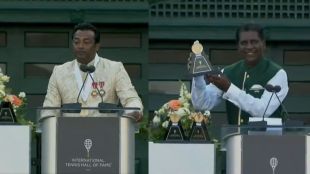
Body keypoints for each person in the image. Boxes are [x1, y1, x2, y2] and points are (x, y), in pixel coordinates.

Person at [191, 23, 288, 125]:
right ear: (238, 47)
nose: (249, 47)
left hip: (267, 139)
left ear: (263, 44)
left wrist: (229, 88)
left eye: (254, 42)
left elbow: (262, 111)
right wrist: (198, 77)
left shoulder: (277, 73)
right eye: (244, 43)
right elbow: (202, 104)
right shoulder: (228, 72)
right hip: (235, 139)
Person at [43, 22, 143, 121]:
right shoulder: (59, 72)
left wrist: (133, 112)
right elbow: (50, 107)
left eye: (86, 42)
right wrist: (48, 120)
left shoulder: (115, 69)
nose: (80, 46)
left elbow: (131, 99)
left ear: (97, 46)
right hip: (69, 133)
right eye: (76, 42)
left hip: (106, 132)